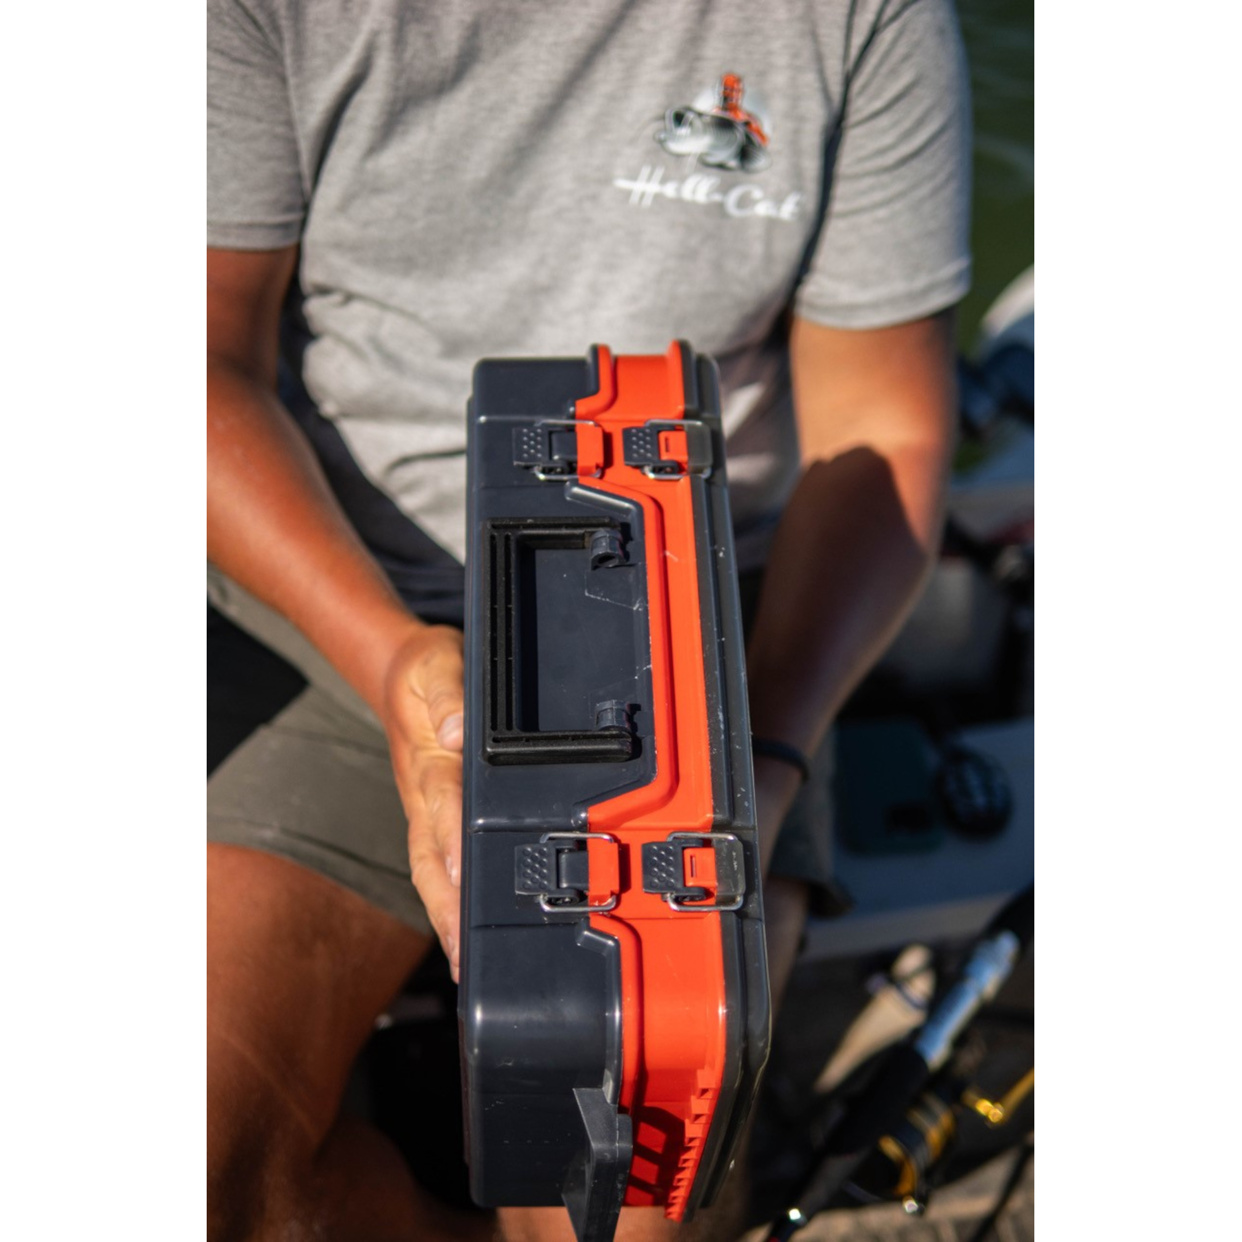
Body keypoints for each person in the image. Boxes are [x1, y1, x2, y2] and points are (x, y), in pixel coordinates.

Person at [206, 1, 972, 1238]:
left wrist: (761, 763)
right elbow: (194, 363)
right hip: (346, 596)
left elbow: (884, 427)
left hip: (703, 636)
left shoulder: (859, 18)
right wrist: (395, 665)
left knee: (623, 1192)